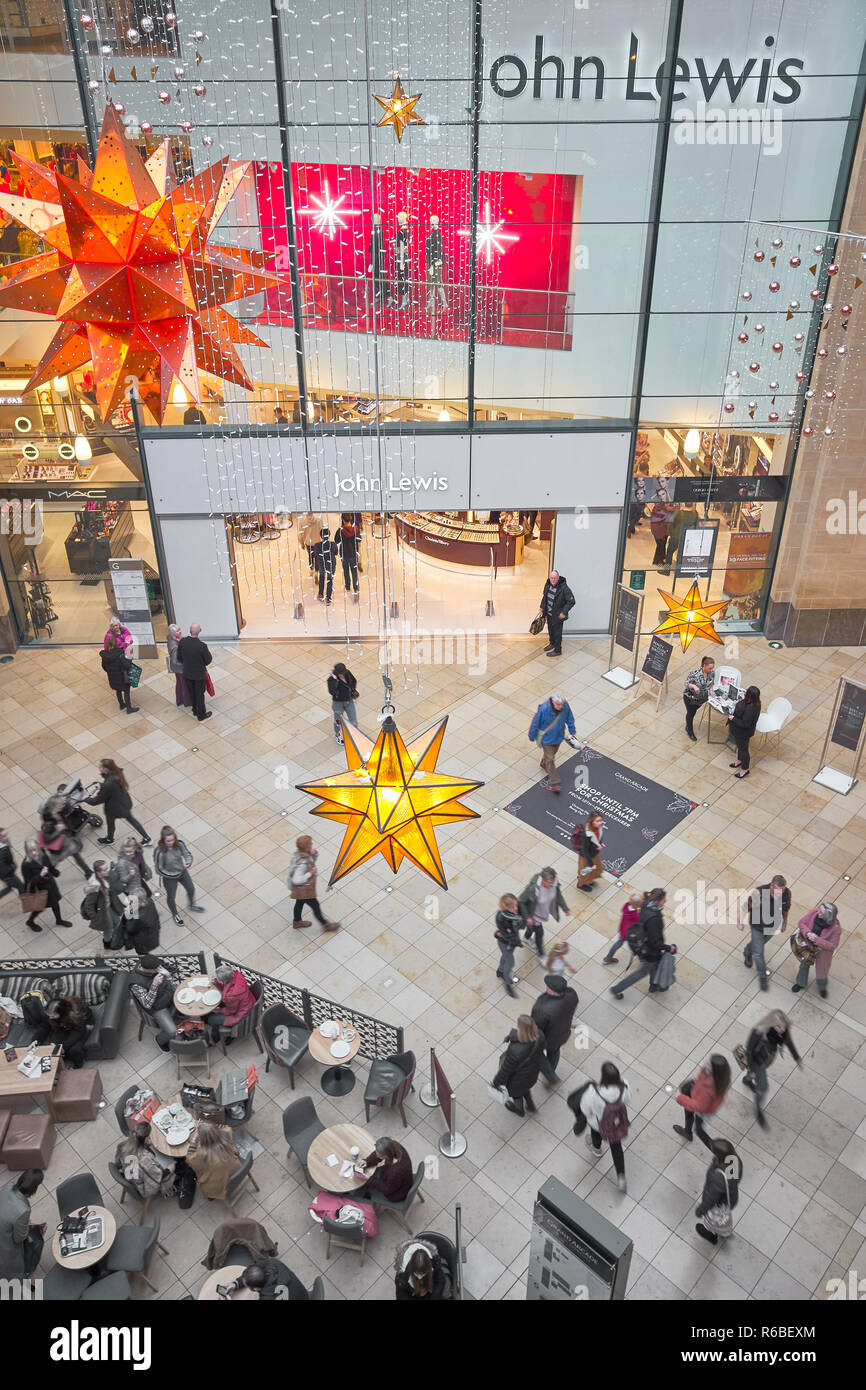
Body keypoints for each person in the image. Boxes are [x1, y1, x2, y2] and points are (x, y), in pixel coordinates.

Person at [610, 886, 673, 999]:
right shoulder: (654, 919)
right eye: (664, 899)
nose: (666, 900)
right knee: (641, 972)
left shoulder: (646, 904)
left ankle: (654, 985)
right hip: (649, 950)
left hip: (642, 945)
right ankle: (617, 989)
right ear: (657, 901)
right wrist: (669, 948)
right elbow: (655, 942)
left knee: (653, 965)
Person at [742, 1010, 802, 1129]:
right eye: (779, 1026)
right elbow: (749, 1052)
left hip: (768, 1058)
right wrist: (753, 1069)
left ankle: (747, 1079)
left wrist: (797, 1058)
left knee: (753, 1075)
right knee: (763, 1088)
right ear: (770, 1024)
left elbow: (788, 1041)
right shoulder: (758, 1032)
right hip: (757, 1062)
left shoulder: (783, 1031)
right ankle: (758, 1109)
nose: (782, 1029)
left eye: (784, 1026)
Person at [579, 1061, 631, 1192]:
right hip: (616, 1125)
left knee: (596, 1134)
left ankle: (597, 1149)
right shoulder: (624, 1086)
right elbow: (627, 1100)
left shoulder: (594, 1091)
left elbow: (585, 1109)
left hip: (598, 1124)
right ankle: (621, 1178)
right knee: (616, 1148)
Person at [738, 875, 790, 991]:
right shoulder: (759, 892)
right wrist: (740, 921)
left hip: (772, 927)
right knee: (759, 953)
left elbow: (786, 908)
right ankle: (762, 976)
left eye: (783, 890)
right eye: (778, 891)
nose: (780, 894)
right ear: (771, 886)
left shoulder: (786, 893)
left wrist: (785, 922)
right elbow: (745, 906)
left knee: (758, 945)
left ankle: (747, 951)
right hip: (757, 926)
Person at [87, 759, 150, 847]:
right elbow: (113, 787)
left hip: (114, 808)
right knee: (131, 819)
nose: (99, 768)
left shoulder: (108, 783)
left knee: (111, 823)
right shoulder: (117, 773)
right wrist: (102, 785)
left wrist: (85, 798)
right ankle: (147, 838)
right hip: (124, 802)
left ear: (106, 769)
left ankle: (110, 839)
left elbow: (97, 800)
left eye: (101, 767)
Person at [110, 842, 161, 953]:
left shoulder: (135, 856)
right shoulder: (122, 863)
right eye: (127, 852)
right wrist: (131, 875)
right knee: (132, 913)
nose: (129, 854)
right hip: (132, 890)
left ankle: (130, 918)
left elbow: (141, 864)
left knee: (136, 910)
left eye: (131, 851)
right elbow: (124, 879)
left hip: (138, 887)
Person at [672, 1054, 731, 1148]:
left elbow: (699, 1106)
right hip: (699, 1097)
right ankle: (687, 1132)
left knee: (699, 1130)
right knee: (689, 1113)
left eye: (708, 1063)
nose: (705, 1062)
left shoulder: (708, 1089)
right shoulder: (721, 1075)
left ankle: (718, 1151)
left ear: (714, 1069)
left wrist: (680, 1098)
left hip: (704, 1108)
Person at [492, 1015, 545, 1117]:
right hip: (532, 1074)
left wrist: (495, 1083)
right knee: (525, 1089)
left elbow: (505, 1071)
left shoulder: (515, 1051)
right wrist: (511, 1036)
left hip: (517, 1080)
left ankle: (519, 1110)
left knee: (517, 1095)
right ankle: (531, 1106)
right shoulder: (540, 1036)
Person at [531, 974, 578, 1086]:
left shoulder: (542, 1008)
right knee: (554, 1052)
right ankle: (552, 1069)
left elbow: (536, 1029)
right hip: (563, 1034)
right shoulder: (572, 995)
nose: (546, 988)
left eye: (548, 987)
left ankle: (551, 1076)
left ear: (552, 991)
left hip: (548, 1038)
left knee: (536, 1054)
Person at [694, 1139, 742, 1246]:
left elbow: (711, 1198)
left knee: (713, 1220)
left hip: (719, 1203)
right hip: (731, 1198)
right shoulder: (736, 1161)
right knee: (724, 1220)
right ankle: (726, 1233)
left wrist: (700, 1210)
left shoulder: (718, 1177)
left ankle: (711, 1235)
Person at [288, 834, 340, 932]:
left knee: (299, 903)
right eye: (310, 845)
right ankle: (326, 925)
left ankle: (297, 921)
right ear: (306, 847)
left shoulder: (299, 854)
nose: (312, 845)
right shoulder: (302, 863)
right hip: (304, 889)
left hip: (301, 889)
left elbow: (310, 862)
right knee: (315, 906)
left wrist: (314, 854)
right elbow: (297, 880)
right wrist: (310, 873)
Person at [0, 1169, 45, 1279]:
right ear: (34, 1188)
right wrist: (26, 1226)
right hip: (5, 1243)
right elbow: (18, 1238)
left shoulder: (8, 1186)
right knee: (36, 1241)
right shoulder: (23, 1210)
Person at [518, 867, 569, 963]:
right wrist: (528, 917)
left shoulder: (554, 884)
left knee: (531, 928)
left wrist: (565, 908)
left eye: (553, 881)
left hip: (542, 913)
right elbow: (521, 901)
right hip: (534, 915)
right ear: (543, 880)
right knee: (540, 934)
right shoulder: (533, 889)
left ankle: (526, 938)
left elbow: (558, 896)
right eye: (549, 882)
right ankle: (541, 955)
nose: (551, 884)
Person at [154, 826, 204, 925]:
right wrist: (172, 875)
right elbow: (159, 869)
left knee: (191, 889)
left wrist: (188, 862)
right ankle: (175, 914)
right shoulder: (160, 852)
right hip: (169, 878)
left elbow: (187, 854)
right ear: (163, 840)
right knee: (171, 897)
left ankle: (192, 905)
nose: (171, 842)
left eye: (172, 840)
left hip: (182, 872)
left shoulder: (179, 844)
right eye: (168, 841)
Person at [792, 902, 841, 998]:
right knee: (804, 965)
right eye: (819, 910)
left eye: (822, 913)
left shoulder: (836, 929)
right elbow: (801, 923)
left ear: (828, 916)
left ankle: (822, 987)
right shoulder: (814, 912)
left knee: (822, 971)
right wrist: (808, 933)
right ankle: (800, 983)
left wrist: (817, 940)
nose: (818, 913)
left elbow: (832, 946)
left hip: (822, 952)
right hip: (807, 947)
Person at [528, 693, 575, 794]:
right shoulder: (544, 710)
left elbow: (569, 717)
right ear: (553, 702)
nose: (560, 706)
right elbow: (535, 722)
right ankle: (555, 782)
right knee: (550, 758)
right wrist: (532, 735)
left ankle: (543, 763)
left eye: (562, 704)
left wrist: (572, 729)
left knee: (552, 754)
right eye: (558, 704)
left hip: (558, 736)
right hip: (547, 739)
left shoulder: (565, 706)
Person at [21, 838, 72, 932]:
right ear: (27, 851)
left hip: (50, 884)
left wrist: (54, 871)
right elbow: (29, 882)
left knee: (55, 902)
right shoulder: (26, 865)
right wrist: (40, 875)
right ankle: (30, 921)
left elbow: (49, 864)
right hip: (40, 890)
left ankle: (59, 920)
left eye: (35, 849)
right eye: (30, 851)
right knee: (39, 907)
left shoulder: (42, 853)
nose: (34, 852)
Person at [115, 1122, 176, 1199]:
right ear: (146, 1139)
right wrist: (170, 1168)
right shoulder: (144, 1160)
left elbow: (117, 1163)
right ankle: (168, 1191)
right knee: (172, 1164)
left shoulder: (123, 1145)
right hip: (141, 1186)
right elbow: (158, 1177)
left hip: (128, 1175)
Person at [185, 1122, 243, 1200]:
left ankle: (211, 1197)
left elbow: (189, 1159)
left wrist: (194, 1139)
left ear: (201, 1138)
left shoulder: (201, 1155)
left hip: (219, 1184)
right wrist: (210, 1126)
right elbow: (227, 1127)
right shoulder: (226, 1135)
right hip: (236, 1169)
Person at [33, 995, 92, 1069]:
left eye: (53, 1016)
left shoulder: (75, 1015)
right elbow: (44, 1026)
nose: (50, 1017)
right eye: (48, 1015)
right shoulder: (50, 1013)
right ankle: (59, 1061)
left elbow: (78, 1032)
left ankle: (78, 1065)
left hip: (81, 1027)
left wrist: (63, 1046)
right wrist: (36, 1040)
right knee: (54, 1045)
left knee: (74, 1050)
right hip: (65, 1025)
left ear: (62, 1013)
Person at [129, 955, 177, 1043]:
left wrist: (169, 976)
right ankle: (160, 1040)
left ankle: (177, 1015)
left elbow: (171, 984)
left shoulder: (150, 963)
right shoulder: (135, 984)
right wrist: (154, 985)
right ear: (149, 970)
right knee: (172, 1032)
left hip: (168, 994)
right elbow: (147, 1004)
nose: (159, 969)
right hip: (157, 1007)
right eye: (156, 969)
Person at [39, 794, 90, 877]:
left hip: (67, 839)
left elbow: (68, 810)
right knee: (53, 863)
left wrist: (66, 802)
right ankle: (44, 877)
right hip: (58, 844)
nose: (62, 806)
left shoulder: (59, 811)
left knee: (77, 855)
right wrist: (58, 831)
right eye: (60, 805)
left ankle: (88, 872)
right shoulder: (49, 822)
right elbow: (46, 839)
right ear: (54, 806)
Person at [207, 963, 257, 1042]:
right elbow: (227, 986)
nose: (215, 978)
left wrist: (218, 1011)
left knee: (211, 1019)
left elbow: (231, 1011)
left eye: (217, 978)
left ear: (223, 981)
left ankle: (216, 1038)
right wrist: (217, 983)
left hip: (241, 1015)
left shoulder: (231, 996)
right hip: (248, 1004)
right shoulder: (237, 975)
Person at [176, 623, 213, 722]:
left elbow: (179, 658)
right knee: (200, 694)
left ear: (190, 631)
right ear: (200, 631)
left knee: (192, 692)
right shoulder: (202, 646)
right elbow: (208, 660)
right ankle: (201, 714)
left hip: (187, 673)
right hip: (199, 674)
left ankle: (195, 710)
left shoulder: (182, 642)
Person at [222, 1260, 309, 1301]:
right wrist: (236, 1284)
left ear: (255, 1289)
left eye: (246, 1285)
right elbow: (255, 1268)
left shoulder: (267, 1298)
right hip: (303, 1295)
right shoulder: (274, 1263)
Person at [361, 1138, 413, 1202]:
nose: (377, 1155)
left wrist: (370, 1179)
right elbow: (379, 1153)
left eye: (379, 1155)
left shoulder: (395, 1172)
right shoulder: (394, 1146)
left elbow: (387, 1190)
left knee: (366, 1184)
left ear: (387, 1155)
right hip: (397, 1181)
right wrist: (367, 1161)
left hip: (397, 1193)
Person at [538, 570, 575, 657]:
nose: (553, 580)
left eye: (555, 578)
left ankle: (558, 650)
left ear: (558, 578)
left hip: (558, 615)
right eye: (552, 578)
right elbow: (545, 596)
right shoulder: (548, 584)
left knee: (557, 633)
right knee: (550, 630)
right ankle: (552, 643)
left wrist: (563, 612)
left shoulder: (564, 588)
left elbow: (571, 601)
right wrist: (542, 606)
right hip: (549, 614)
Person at [602, 890, 645, 965]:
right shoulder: (635, 915)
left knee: (618, 943)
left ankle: (608, 958)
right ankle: (642, 958)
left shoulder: (626, 906)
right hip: (630, 933)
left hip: (622, 930)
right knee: (637, 945)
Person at [100, 634, 139, 715]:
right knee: (126, 692)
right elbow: (127, 665)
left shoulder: (105, 656)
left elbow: (104, 667)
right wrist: (129, 658)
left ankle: (121, 704)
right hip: (122, 677)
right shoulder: (120, 655)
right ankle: (129, 708)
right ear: (116, 644)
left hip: (112, 677)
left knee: (118, 691)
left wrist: (111, 671)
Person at [494, 892, 523, 999]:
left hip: (512, 941)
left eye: (516, 905)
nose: (516, 908)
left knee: (505, 957)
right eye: (513, 907)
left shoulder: (515, 913)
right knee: (510, 963)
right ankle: (507, 983)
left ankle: (500, 971)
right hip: (505, 942)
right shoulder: (501, 917)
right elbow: (506, 934)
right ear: (506, 907)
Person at [729, 685, 761, 777]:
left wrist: (733, 718)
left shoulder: (751, 708)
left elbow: (745, 723)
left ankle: (745, 769)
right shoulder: (755, 703)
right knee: (741, 747)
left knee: (743, 750)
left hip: (743, 732)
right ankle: (739, 760)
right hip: (741, 731)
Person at [682, 655, 715, 742]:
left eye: (712, 668)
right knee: (691, 713)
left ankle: (688, 727)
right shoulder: (695, 673)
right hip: (690, 698)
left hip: (701, 699)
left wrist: (711, 690)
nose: (711, 670)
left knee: (694, 711)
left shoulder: (712, 673)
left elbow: (712, 683)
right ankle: (689, 730)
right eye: (709, 668)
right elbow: (686, 683)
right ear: (704, 666)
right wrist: (693, 686)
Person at [660, 502, 700, 575]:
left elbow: (670, 524)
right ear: (692, 505)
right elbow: (697, 527)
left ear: (684, 504)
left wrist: (671, 534)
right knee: (682, 554)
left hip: (675, 537)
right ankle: (680, 571)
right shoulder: (695, 514)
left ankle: (666, 571)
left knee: (669, 552)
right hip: (687, 539)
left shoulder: (678, 513)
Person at [327, 661, 358, 744]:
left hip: (349, 701)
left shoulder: (347, 673)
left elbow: (354, 681)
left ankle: (354, 736)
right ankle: (337, 734)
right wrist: (336, 681)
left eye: (343, 673)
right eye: (341, 673)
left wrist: (351, 689)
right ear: (337, 673)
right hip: (338, 703)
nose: (342, 675)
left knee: (353, 720)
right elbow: (332, 691)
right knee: (338, 721)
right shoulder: (331, 680)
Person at [576, 812, 604, 892]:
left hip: (594, 854)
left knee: (596, 869)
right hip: (586, 857)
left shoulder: (599, 828)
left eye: (601, 820)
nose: (600, 823)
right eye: (597, 821)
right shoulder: (586, 835)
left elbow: (599, 838)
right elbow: (585, 851)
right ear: (592, 822)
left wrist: (599, 844)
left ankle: (588, 880)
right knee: (585, 871)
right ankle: (581, 884)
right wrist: (591, 864)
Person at [166, 625, 192, 709]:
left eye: (179, 629)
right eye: (178, 631)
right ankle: (187, 702)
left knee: (180, 683)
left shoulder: (172, 638)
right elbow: (175, 660)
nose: (180, 632)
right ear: (173, 633)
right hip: (180, 669)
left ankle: (180, 700)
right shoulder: (174, 646)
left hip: (177, 668)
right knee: (184, 685)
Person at [313, 527, 337, 604]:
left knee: (322, 578)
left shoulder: (317, 545)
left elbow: (315, 554)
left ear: (321, 536)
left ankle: (320, 594)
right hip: (331, 565)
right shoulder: (333, 544)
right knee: (330, 580)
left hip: (322, 565)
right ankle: (328, 598)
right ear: (329, 535)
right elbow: (336, 553)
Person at [337, 517, 360, 597]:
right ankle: (356, 589)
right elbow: (359, 539)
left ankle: (347, 586)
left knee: (346, 571)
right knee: (354, 572)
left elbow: (336, 540)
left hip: (344, 554)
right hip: (353, 553)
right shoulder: (356, 529)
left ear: (343, 520)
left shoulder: (341, 530)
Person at [0, 828, 24, 899]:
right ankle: (27, 904)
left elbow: (10, 850)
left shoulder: (6, 843)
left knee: (9, 888)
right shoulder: (4, 849)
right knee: (21, 887)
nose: (7, 837)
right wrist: (12, 867)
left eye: (7, 834)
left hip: (4, 874)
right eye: (4, 836)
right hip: (7, 874)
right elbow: (8, 859)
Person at [649, 501, 670, 565]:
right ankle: (657, 561)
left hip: (655, 531)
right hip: (661, 532)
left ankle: (660, 558)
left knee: (660, 545)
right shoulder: (663, 511)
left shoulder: (655, 508)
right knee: (660, 546)